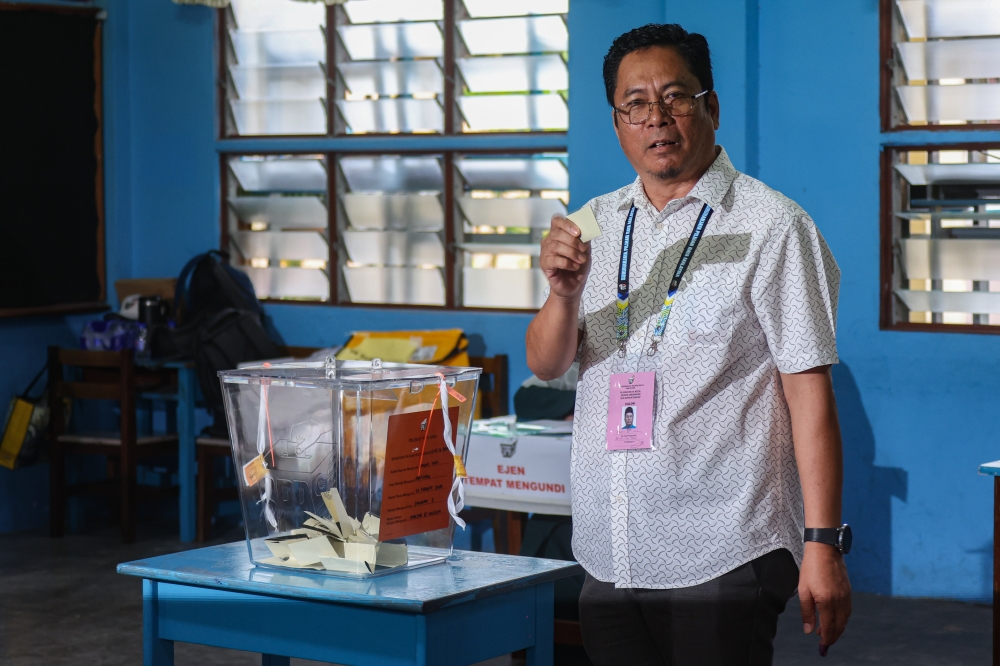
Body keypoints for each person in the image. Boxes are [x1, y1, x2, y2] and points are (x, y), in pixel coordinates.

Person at [525, 23, 852, 666]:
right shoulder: (593, 219)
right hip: (611, 545)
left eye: (675, 96)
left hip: (722, 547)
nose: (657, 118)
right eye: (636, 104)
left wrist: (823, 544)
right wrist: (562, 294)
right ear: (617, 121)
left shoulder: (772, 224)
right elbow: (546, 362)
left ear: (711, 107)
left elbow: (809, 392)